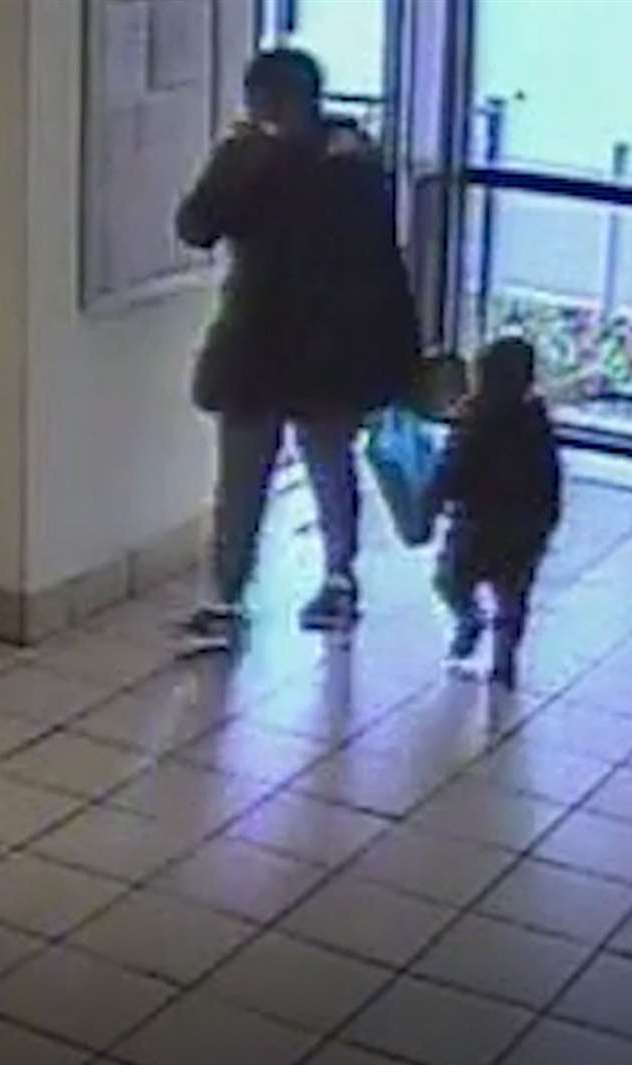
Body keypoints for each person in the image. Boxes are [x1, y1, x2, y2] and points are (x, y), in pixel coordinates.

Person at [175, 49, 419, 651]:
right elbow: (197, 224)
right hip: (301, 347)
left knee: (278, 473)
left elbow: (196, 225)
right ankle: (302, 586)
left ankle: (263, 593)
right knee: (301, 471)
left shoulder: (334, 163)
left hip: (288, 344)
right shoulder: (338, 160)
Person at [429, 338, 562, 690]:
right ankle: (504, 664)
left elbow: (452, 472)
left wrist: (432, 500)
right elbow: (550, 479)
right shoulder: (537, 424)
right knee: (513, 598)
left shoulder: (474, 423)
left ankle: (468, 617)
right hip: (526, 529)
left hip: (476, 523)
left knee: (451, 579)